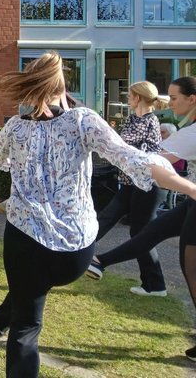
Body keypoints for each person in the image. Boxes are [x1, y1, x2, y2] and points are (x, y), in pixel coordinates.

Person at [0, 53, 195, 378]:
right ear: (63, 87)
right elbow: (130, 157)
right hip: (74, 253)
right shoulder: (82, 120)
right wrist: (186, 187)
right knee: (30, 290)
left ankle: (1, 320)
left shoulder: (15, 127)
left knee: (27, 322)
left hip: (25, 242)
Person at [86, 77, 196, 359]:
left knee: (187, 265)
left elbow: (155, 159)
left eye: (174, 98)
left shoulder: (185, 131)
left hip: (166, 190)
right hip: (182, 196)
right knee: (148, 232)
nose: (170, 103)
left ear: (192, 99)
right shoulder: (185, 129)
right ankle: (98, 261)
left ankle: (103, 262)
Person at [90, 81, 168, 296]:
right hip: (129, 182)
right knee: (106, 218)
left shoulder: (149, 121)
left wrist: (97, 124)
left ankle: (155, 285)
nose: (127, 98)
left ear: (139, 98)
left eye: (130, 95)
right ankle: (74, 252)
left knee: (140, 233)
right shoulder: (133, 119)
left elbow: (122, 144)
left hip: (147, 184)